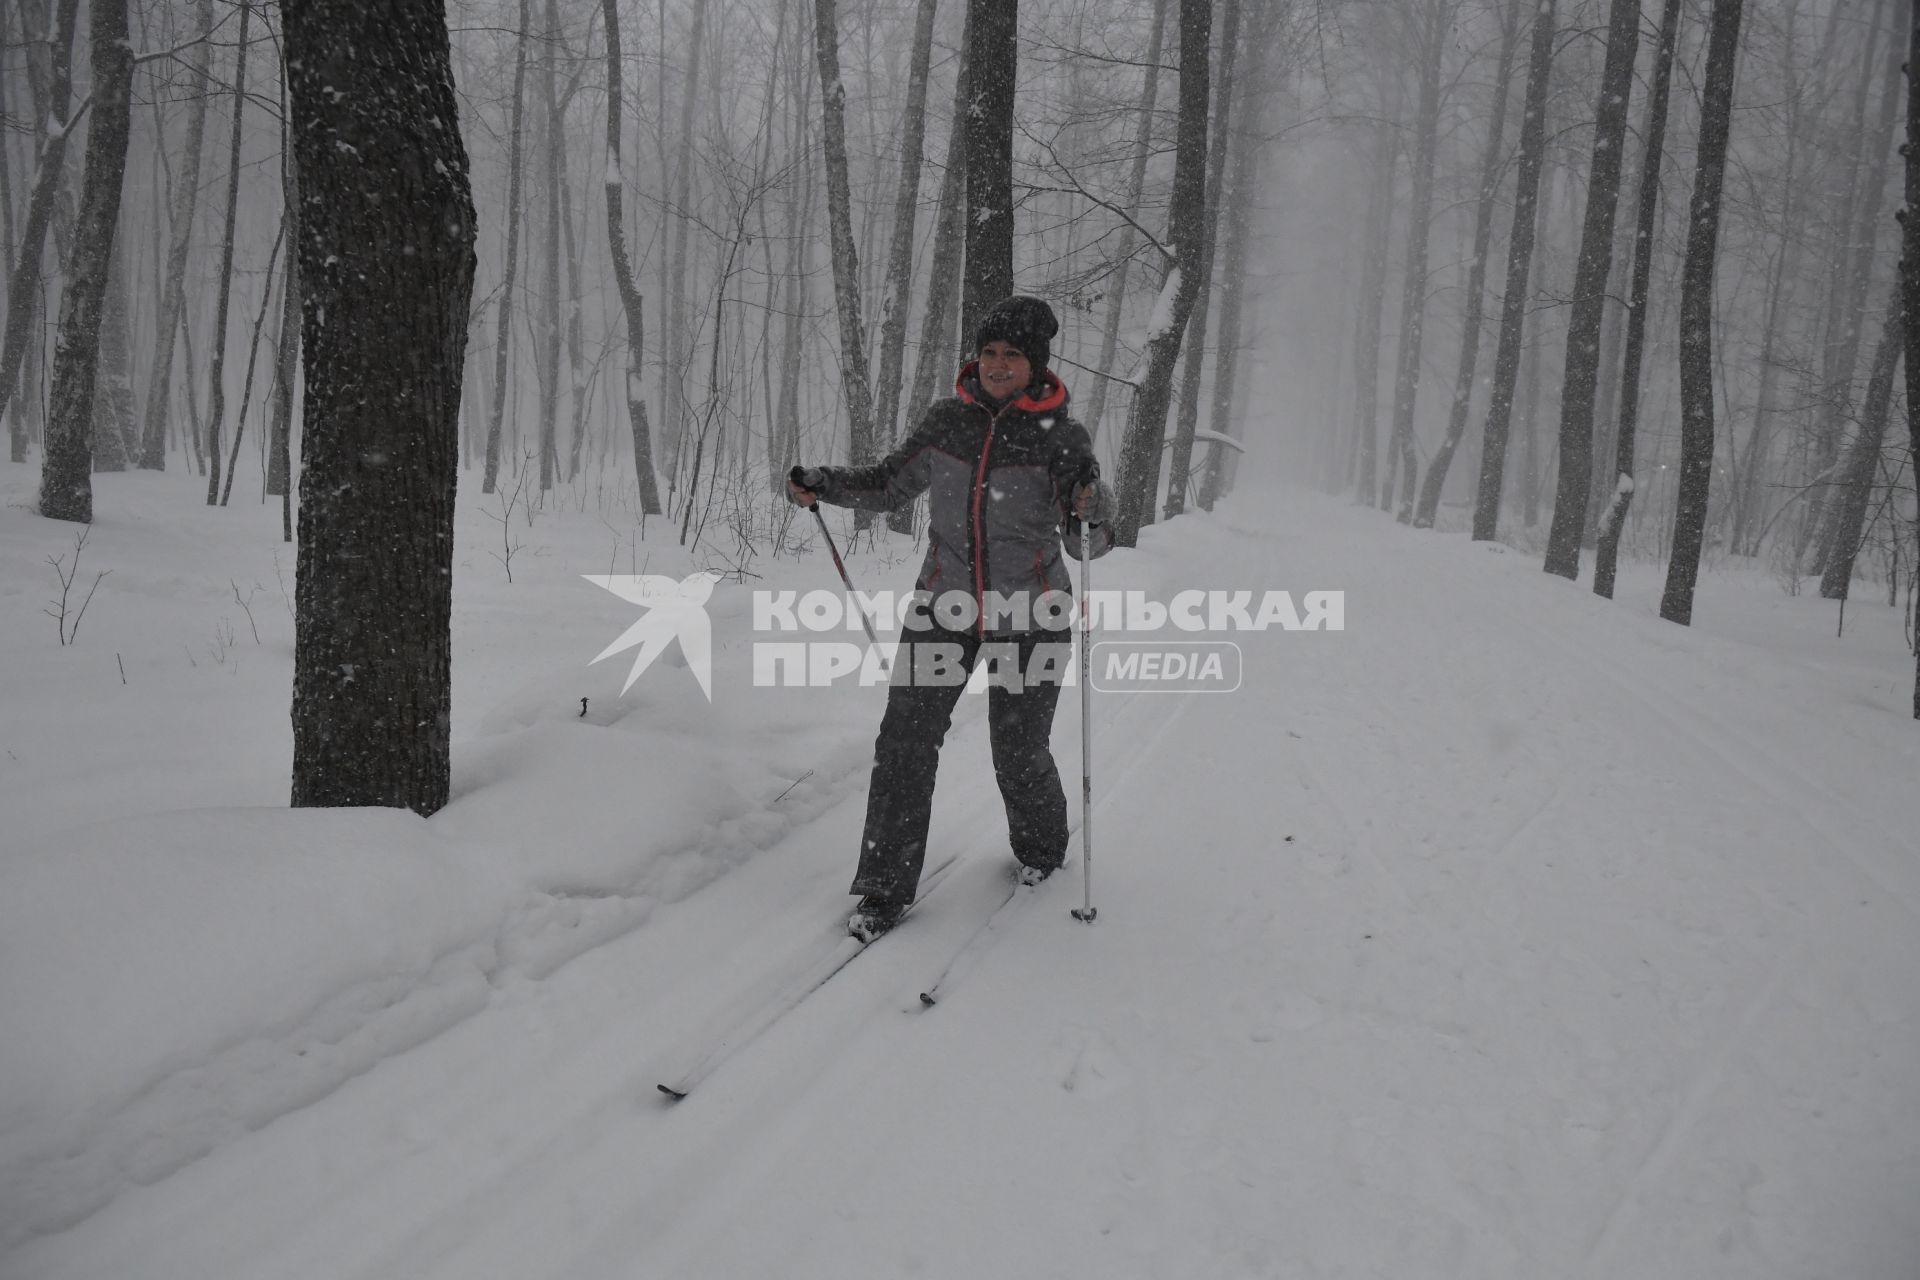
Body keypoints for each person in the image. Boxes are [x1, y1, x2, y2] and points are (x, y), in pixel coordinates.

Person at [788, 294, 1114, 940]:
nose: (996, 365)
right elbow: (888, 485)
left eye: (1011, 355)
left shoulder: (1062, 439)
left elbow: (1092, 541)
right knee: (904, 743)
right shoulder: (947, 423)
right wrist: (824, 483)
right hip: (945, 606)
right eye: (988, 352)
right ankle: (883, 888)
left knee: (1017, 750)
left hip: (1032, 612)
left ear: (1035, 364)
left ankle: (1043, 848)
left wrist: (1094, 507)